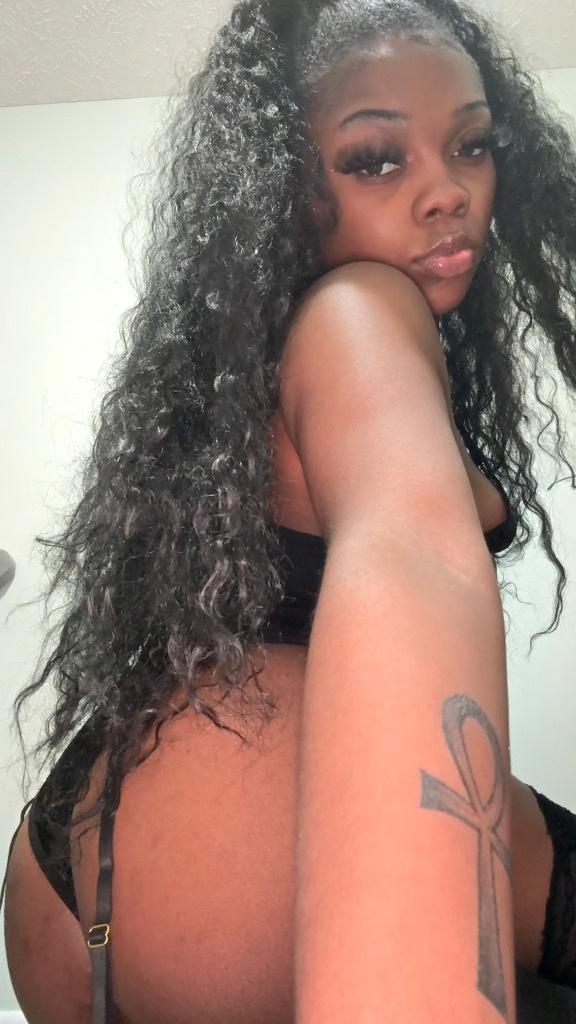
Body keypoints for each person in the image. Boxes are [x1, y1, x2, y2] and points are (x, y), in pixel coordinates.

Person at [2, 0, 576, 1020]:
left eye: (472, 144)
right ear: (292, 191)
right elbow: (410, 556)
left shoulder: (245, 375)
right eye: (376, 160)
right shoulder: (362, 310)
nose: (449, 190)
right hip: (246, 869)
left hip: (80, 854)